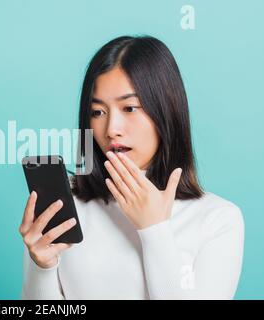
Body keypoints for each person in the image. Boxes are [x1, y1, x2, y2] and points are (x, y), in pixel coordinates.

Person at [19, 35, 244, 299]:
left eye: (129, 108)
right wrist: (42, 268)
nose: (111, 129)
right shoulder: (67, 204)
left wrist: (154, 229)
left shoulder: (218, 219)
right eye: (98, 112)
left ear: (166, 110)